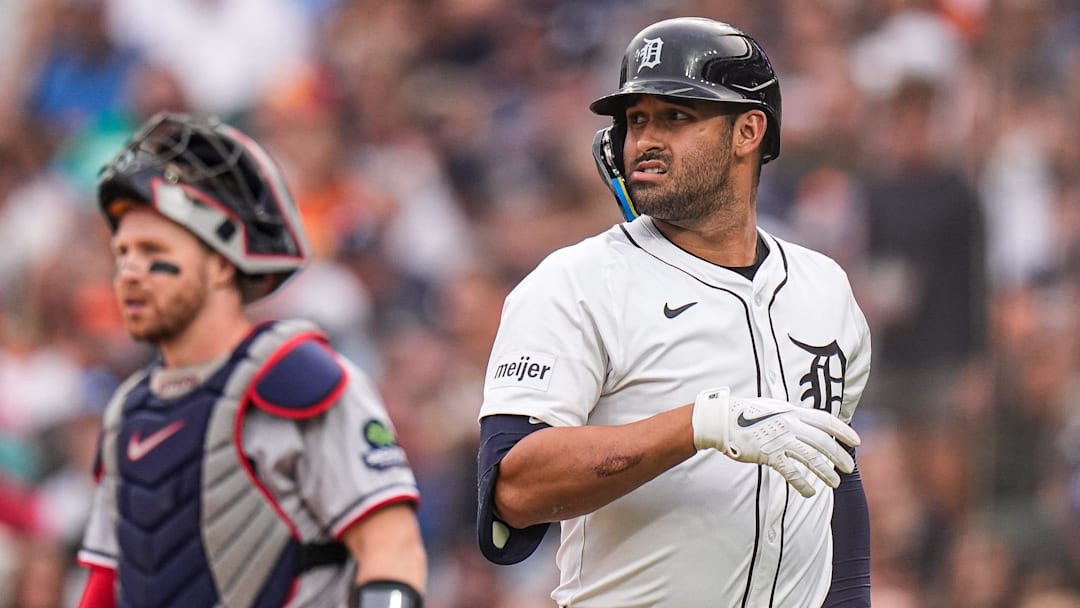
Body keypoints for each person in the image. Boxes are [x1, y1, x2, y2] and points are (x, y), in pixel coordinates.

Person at [476, 17, 872, 608]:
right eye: (637, 120)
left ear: (748, 131)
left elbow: (829, 473)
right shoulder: (576, 283)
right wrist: (699, 425)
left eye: (677, 117)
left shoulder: (825, 288)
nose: (646, 140)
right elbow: (513, 485)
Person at [75, 112, 427, 607]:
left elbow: (392, 547)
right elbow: (105, 584)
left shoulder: (298, 378)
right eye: (122, 253)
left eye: (152, 250)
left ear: (221, 262)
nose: (128, 273)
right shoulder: (128, 410)